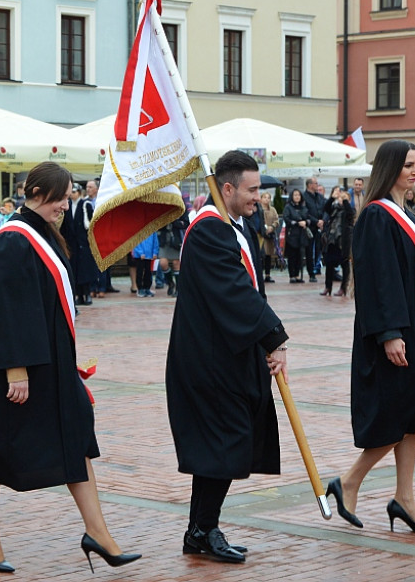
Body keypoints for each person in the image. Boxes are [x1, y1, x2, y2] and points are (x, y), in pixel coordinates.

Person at [0, 161, 140, 574]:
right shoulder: (14, 239)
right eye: (61, 196)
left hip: (51, 363)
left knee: (78, 436)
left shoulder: (43, 234)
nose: (67, 205)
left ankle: (98, 533)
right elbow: (9, 309)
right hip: (20, 367)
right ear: (35, 192)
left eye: (68, 196)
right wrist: (16, 369)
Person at [167, 150, 289, 564]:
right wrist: (273, 337)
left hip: (229, 353)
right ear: (228, 188)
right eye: (252, 190)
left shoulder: (233, 225)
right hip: (210, 360)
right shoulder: (209, 231)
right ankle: (202, 529)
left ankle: (200, 530)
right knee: (224, 445)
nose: (259, 197)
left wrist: (265, 339)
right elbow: (233, 292)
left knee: (220, 448)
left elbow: (248, 291)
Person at [327, 139, 415, 536]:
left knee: (413, 414)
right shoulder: (378, 216)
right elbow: (379, 280)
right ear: (390, 168)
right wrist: (390, 333)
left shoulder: (403, 212)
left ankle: (405, 498)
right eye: (408, 164)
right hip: (394, 332)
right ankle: (348, 482)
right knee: (399, 414)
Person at [61, 183, 97, 306]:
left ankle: (87, 294)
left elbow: (91, 225)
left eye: (75, 192)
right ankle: (78, 295)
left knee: (85, 269)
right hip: (71, 243)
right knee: (74, 269)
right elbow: (64, 226)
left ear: (80, 193)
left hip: (84, 243)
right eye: (71, 192)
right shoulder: (67, 206)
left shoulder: (85, 205)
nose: (72, 194)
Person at [320, 187, 354, 297]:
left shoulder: (349, 210)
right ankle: (327, 287)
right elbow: (325, 208)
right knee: (329, 264)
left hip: (343, 242)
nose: (341, 200)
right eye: (340, 198)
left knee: (345, 265)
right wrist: (332, 198)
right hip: (331, 240)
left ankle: (343, 288)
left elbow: (350, 214)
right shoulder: (334, 208)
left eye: (344, 198)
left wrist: (345, 200)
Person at [282, 189, 311, 283]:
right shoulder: (288, 207)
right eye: (295, 195)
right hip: (292, 235)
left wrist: (305, 222)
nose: (297, 197)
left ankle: (298, 275)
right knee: (292, 256)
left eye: (298, 195)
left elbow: (308, 218)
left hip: (302, 235)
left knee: (300, 255)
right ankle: (292, 275)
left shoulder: (304, 207)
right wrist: (297, 223)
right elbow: (286, 219)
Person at [303, 178, 325, 281]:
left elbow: (326, 209)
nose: (317, 185)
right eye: (316, 183)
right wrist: (316, 221)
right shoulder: (304, 197)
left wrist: (323, 220)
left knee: (319, 248)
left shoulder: (320, 197)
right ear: (310, 185)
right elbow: (305, 212)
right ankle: (311, 272)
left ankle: (318, 268)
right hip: (310, 227)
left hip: (320, 227)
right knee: (309, 250)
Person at [259, 192, 279, 283]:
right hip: (261, 235)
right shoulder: (258, 209)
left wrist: (272, 226)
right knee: (260, 255)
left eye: (268, 197)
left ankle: (268, 275)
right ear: (261, 199)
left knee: (268, 256)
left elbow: (276, 220)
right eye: (265, 197)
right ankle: (260, 274)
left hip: (270, 235)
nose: (267, 199)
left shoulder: (273, 210)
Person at [132, 232, 158, 297]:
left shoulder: (153, 231)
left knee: (148, 272)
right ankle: (140, 288)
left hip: (149, 255)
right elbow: (135, 242)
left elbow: (155, 242)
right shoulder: (138, 230)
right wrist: (140, 253)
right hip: (140, 256)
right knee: (140, 272)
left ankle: (147, 288)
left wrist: (155, 252)